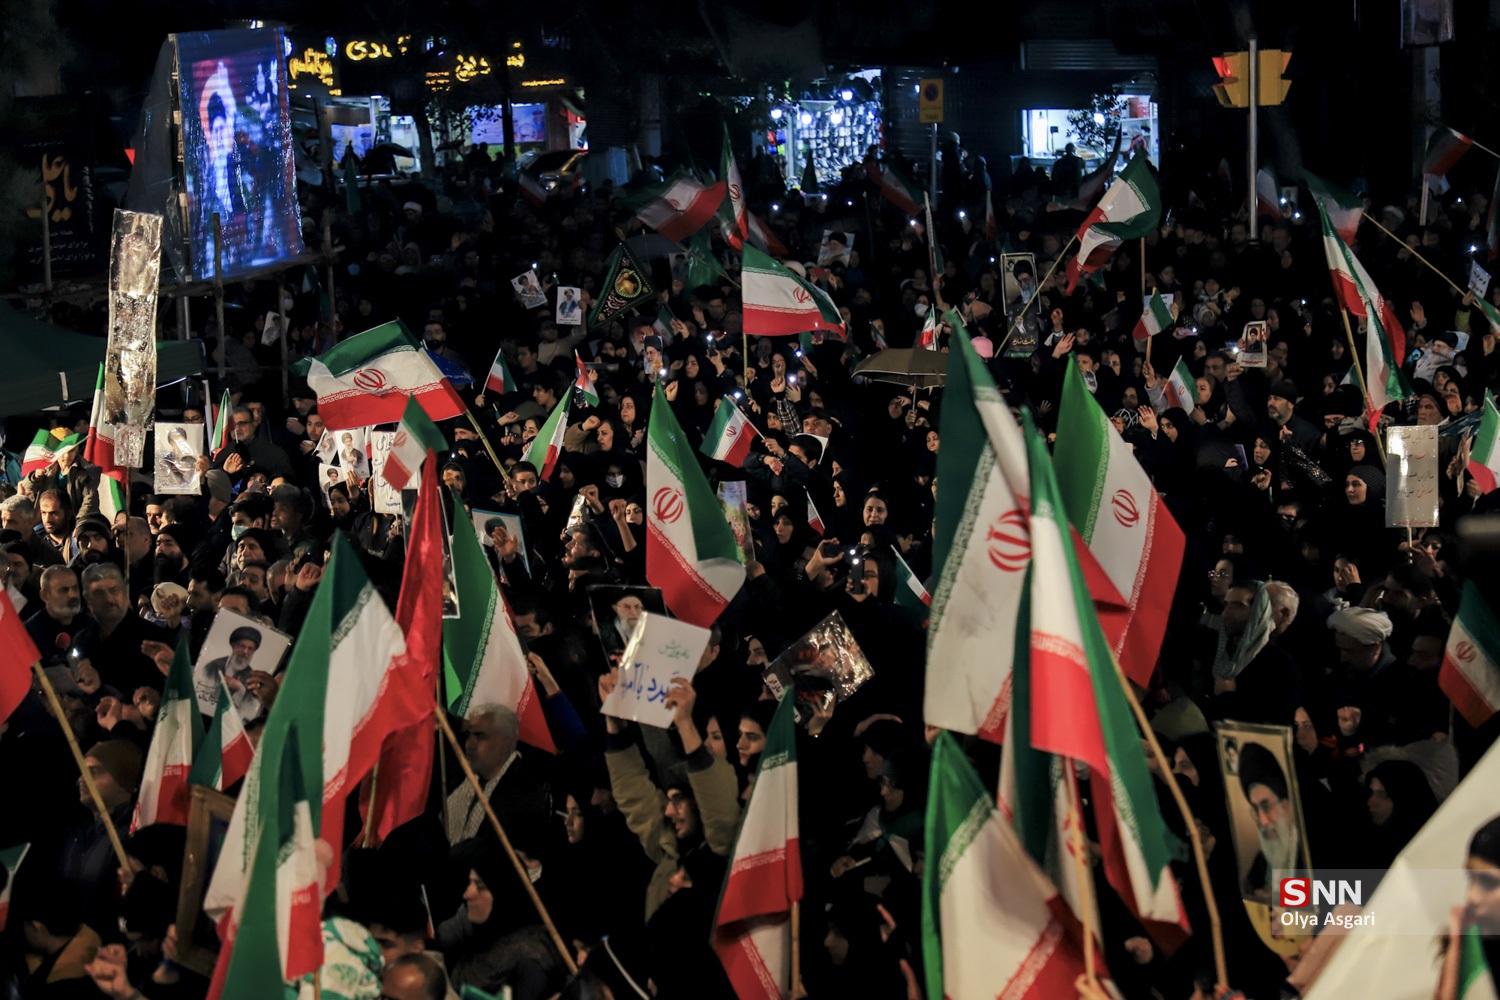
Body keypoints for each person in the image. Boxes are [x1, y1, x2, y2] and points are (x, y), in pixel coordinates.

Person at [1235, 740, 1302, 902]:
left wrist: (1280, 899)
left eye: (1266, 806)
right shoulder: (1261, 861)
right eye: (1256, 809)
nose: (1263, 821)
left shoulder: (1312, 850)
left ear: (1286, 805)